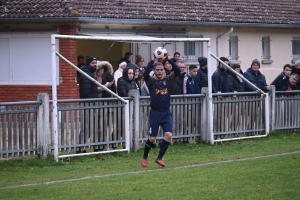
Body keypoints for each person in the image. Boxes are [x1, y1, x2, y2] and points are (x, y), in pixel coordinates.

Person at [141, 51, 180, 167]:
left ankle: (159, 158)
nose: (160, 72)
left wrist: (169, 60)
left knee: (168, 135)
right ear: (155, 71)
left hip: (166, 112)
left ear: (164, 70)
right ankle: (145, 157)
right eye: (157, 70)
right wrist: (152, 61)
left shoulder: (168, 79)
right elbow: (145, 75)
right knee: (152, 138)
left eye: (161, 70)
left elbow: (177, 71)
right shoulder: (151, 81)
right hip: (155, 112)